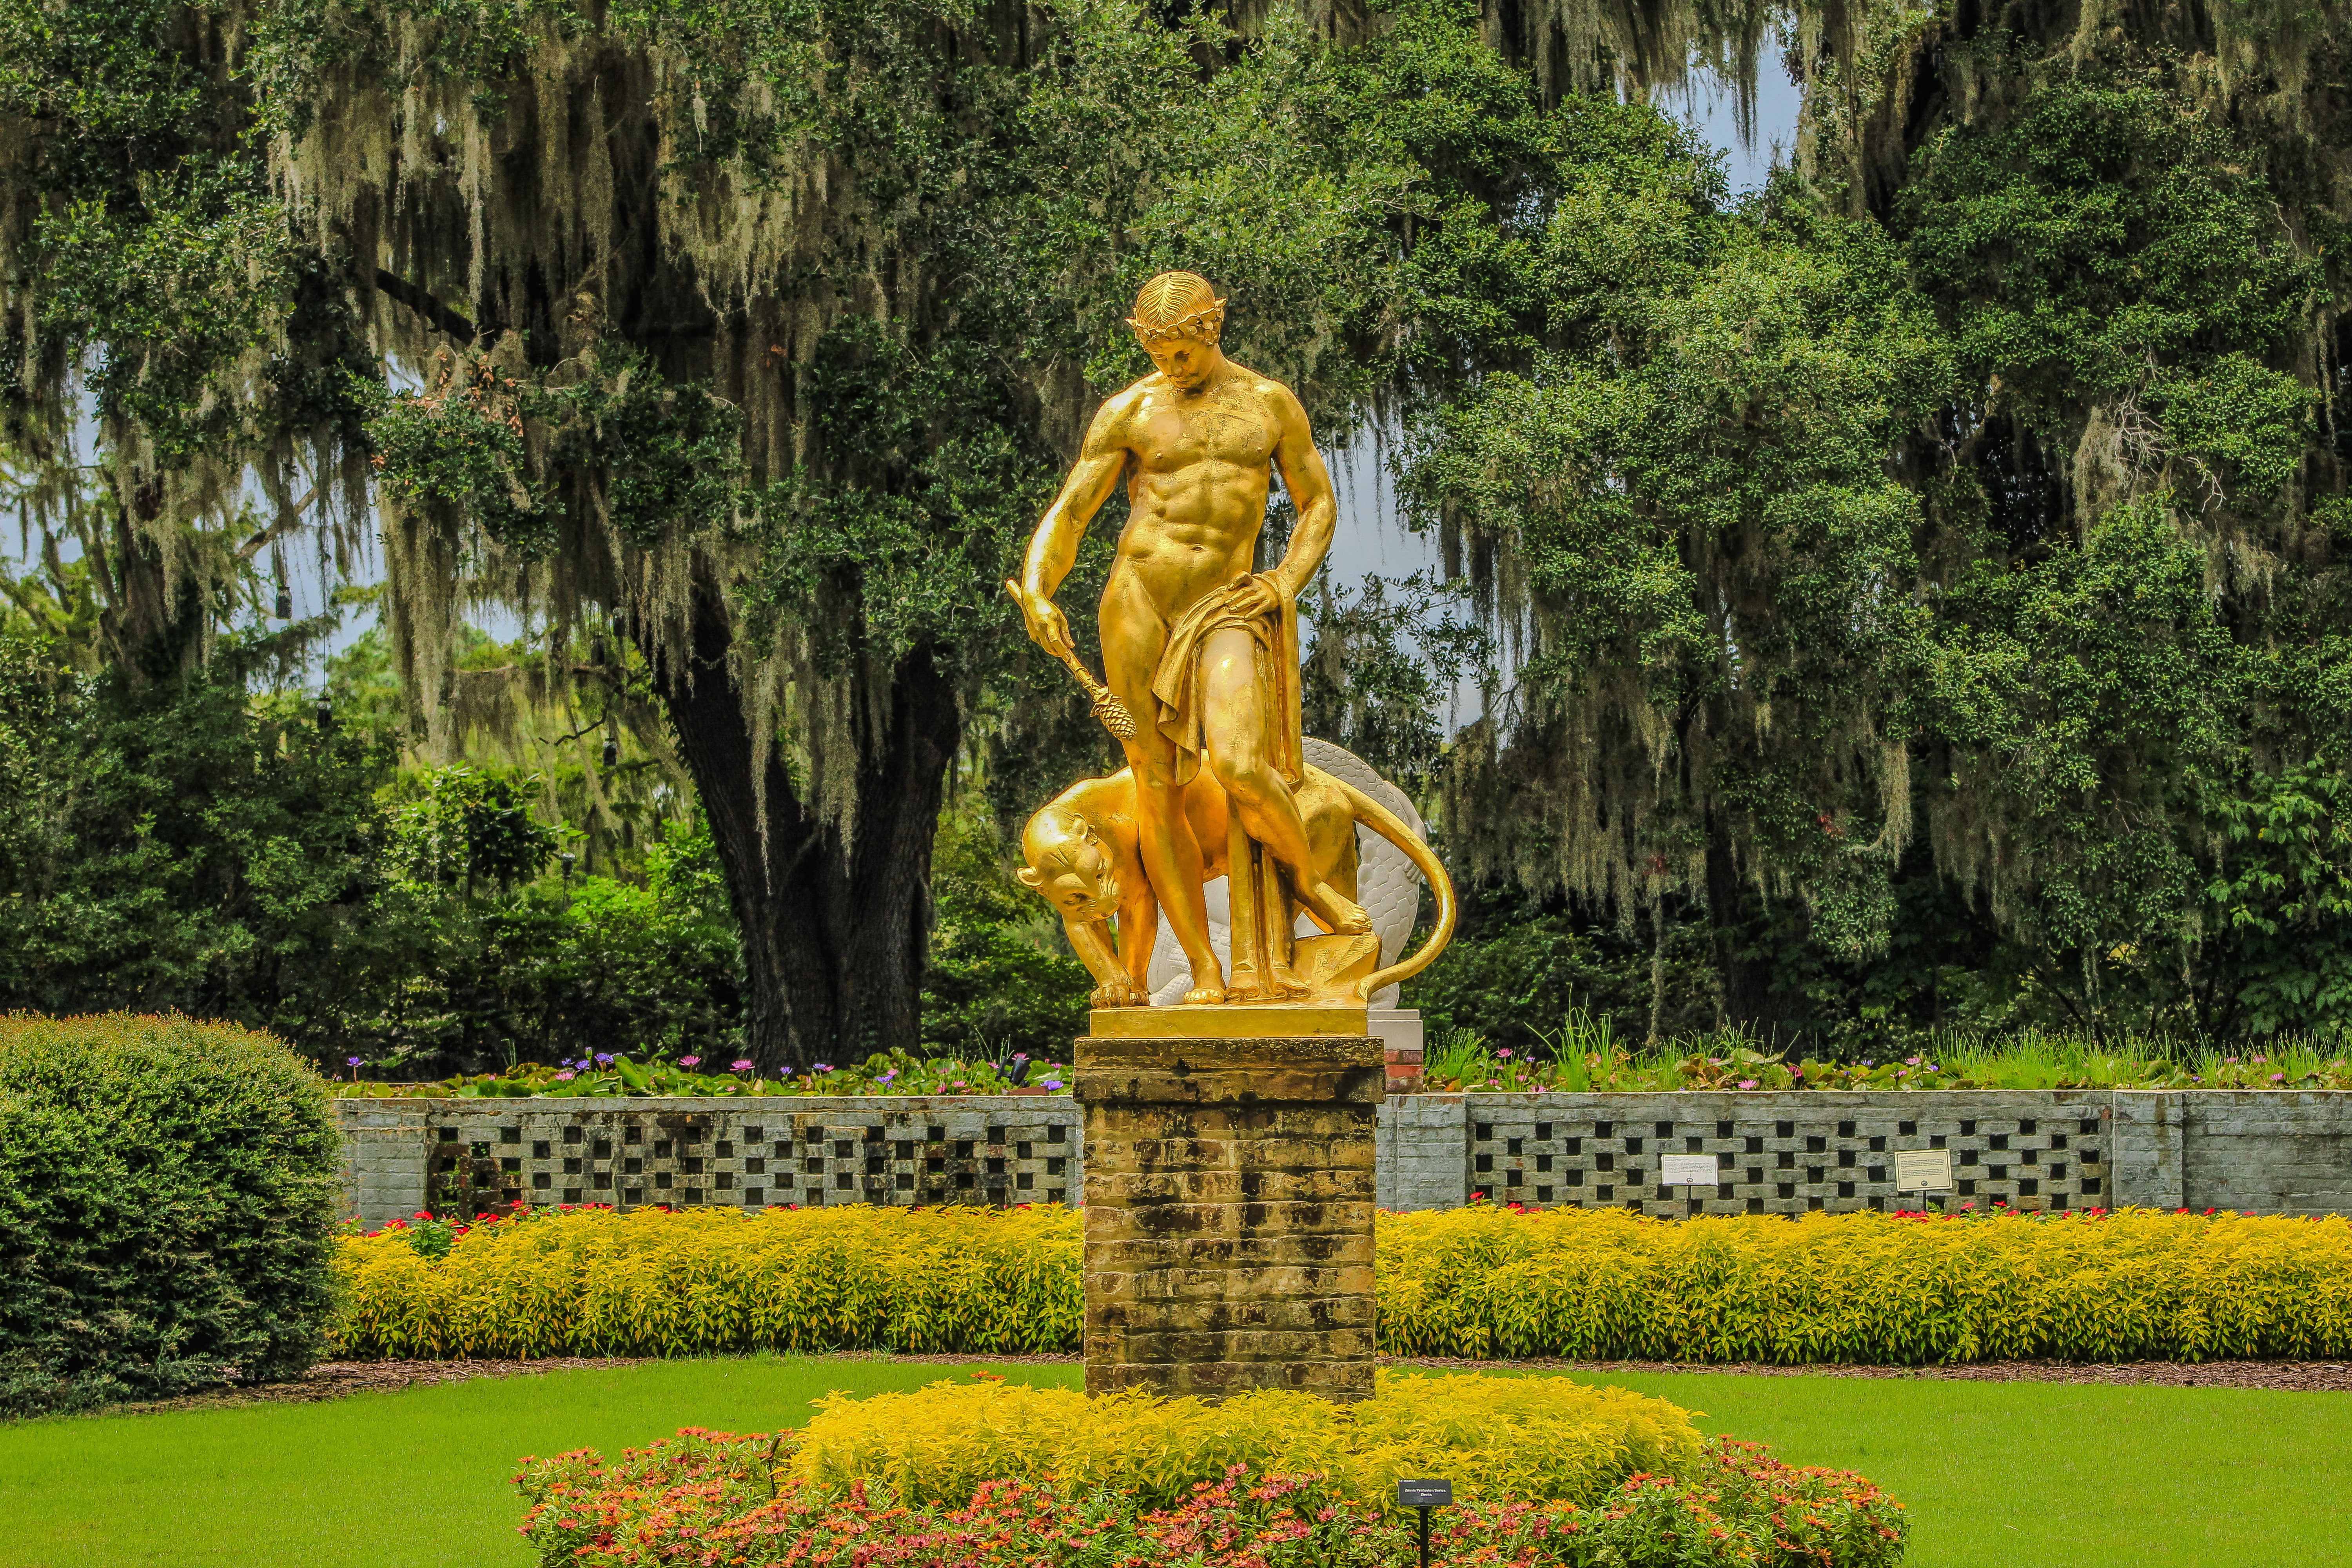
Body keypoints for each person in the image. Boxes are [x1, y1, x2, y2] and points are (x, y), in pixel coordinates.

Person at [1009, 270, 1370, 1004]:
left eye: (1184, 349)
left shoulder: (1269, 405)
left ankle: (1312, 891)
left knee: (1239, 764)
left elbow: (1317, 504)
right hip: (1139, 597)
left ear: (1214, 327)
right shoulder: (1130, 411)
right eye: (1158, 351)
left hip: (1226, 603)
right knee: (1157, 789)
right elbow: (1073, 511)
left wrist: (1284, 580)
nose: (1173, 365)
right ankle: (1204, 969)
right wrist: (1040, 588)